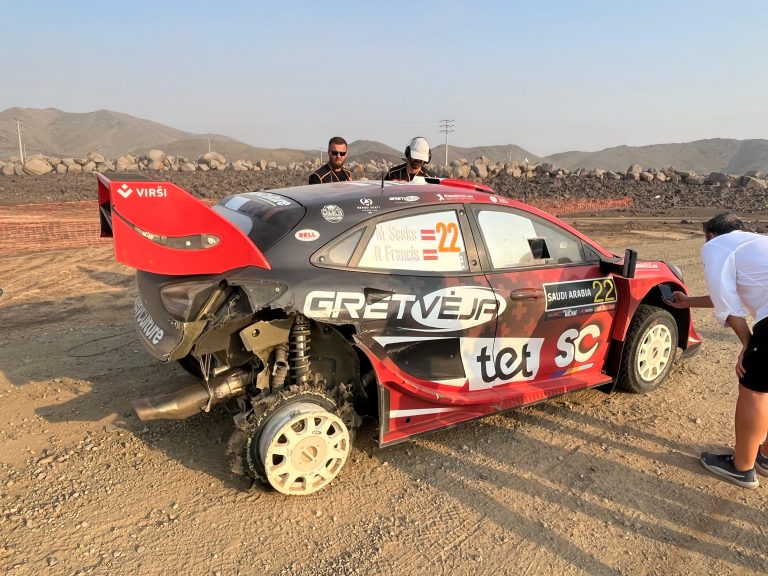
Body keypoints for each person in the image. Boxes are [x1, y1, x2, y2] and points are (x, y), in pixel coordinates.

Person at [667, 213, 768, 488]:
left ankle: (741, 467)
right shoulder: (757, 243)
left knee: (755, 389)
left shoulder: (716, 245)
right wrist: (688, 301)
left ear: (710, 235)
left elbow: (726, 299)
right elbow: (732, 292)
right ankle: (765, 457)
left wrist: (747, 344)